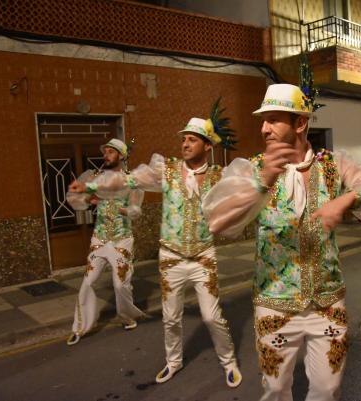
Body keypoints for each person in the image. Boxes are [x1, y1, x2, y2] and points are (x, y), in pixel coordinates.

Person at [202, 82, 361, 401]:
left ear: (300, 123)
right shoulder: (253, 168)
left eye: (273, 119)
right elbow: (216, 219)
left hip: (327, 304)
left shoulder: (333, 164)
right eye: (263, 119)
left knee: (328, 390)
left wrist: (348, 198)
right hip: (274, 305)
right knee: (275, 390)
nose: (264, 127)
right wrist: (262, 181)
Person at [69, 115, 242, 388]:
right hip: (171, 257)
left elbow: (247, 184)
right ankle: (173, 362)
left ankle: (228, 360)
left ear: (207, 145)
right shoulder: (168, 170)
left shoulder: (218, 175)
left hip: (202, 258)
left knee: (211, 316)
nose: (185, 144)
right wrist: (92, 185)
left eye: (192, 139)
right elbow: (129, 180)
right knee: (171, 317)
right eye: (183, 139)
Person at [66, 138, 145, 346]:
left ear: (120, 156)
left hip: (121, 240)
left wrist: (117, 208)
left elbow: (136, 212)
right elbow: (75, 200)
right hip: (99, 239)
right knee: (88, 282)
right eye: (105, 152)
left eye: (110, 152)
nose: (106, 155)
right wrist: (87, 199)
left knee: (121, 285)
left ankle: (127, 316)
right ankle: (80, 327)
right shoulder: (95, 178)